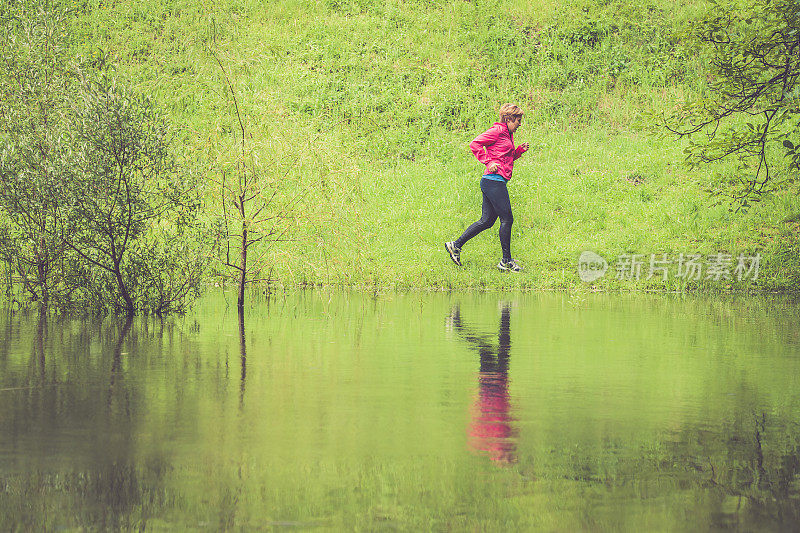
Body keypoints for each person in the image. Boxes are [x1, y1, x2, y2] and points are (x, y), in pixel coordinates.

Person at [445, 103, 529, 272]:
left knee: (487, 221)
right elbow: (474, 144)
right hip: (493, 181)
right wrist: (488, 161)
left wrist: (518, 151)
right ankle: (506, 261)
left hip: (495, 181)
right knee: (507, 219)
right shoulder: (497, 131)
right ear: (509, 119)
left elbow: (504, 157)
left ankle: (456, 245)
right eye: (518, 120)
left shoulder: (508, 134)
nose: (520, 124)